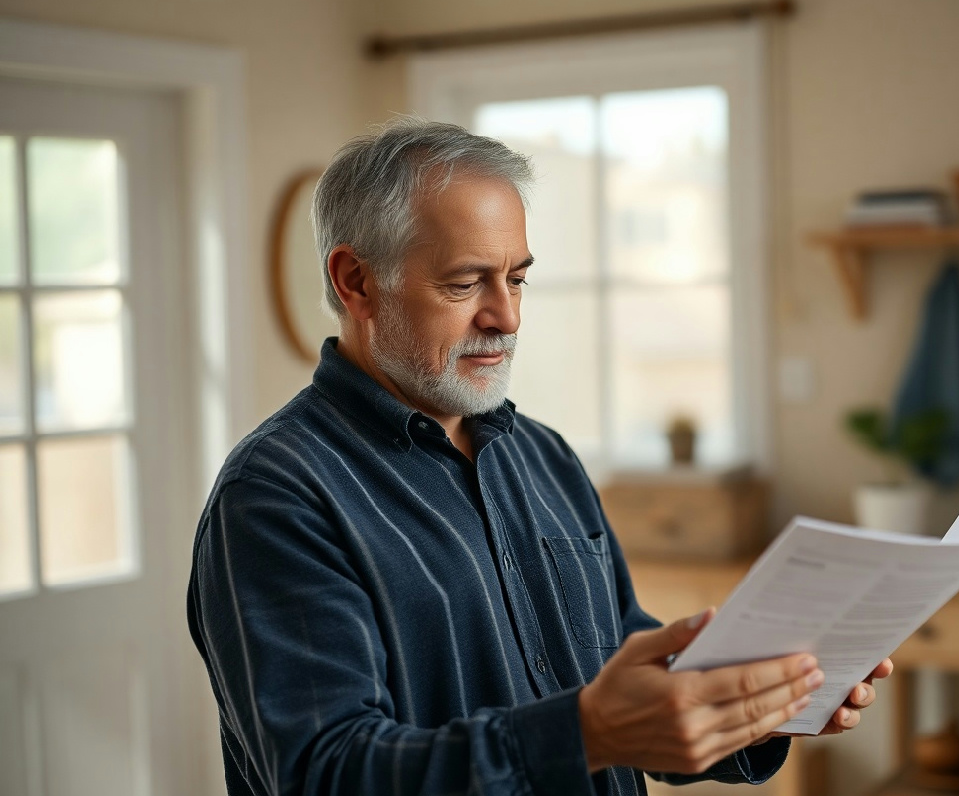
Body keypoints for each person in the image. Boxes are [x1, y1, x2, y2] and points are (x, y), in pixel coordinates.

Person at [187, 116, 891, 796]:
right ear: (357, 282)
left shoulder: (544, 457)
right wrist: (584, 735)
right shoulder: (275, 497)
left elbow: (623, 679)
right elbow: (327, 775)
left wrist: (757, 708)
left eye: (516, 279)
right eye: (465, 284)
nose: (507, 317)